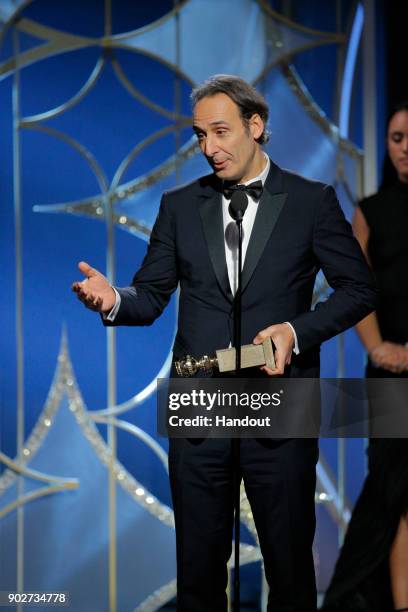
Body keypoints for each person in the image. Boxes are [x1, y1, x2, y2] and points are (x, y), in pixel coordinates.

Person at [72, 75, 376, 612]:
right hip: (203, 406)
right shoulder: (180, 206)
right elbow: (150, 295)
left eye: (220, 132)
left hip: (278, 403)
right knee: (198, 573)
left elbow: (359, 288)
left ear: (255, 126)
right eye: (199, 136)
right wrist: (113, 299)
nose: (209, 148)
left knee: (288, 569)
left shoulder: (311, 202)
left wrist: (294, 331)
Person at [322, 102, 408, 612]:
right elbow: (356, 287)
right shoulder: (371, 211)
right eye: (396, 137)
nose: (404, 147)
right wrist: (378, 348)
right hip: (391, 376)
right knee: (393, 493)